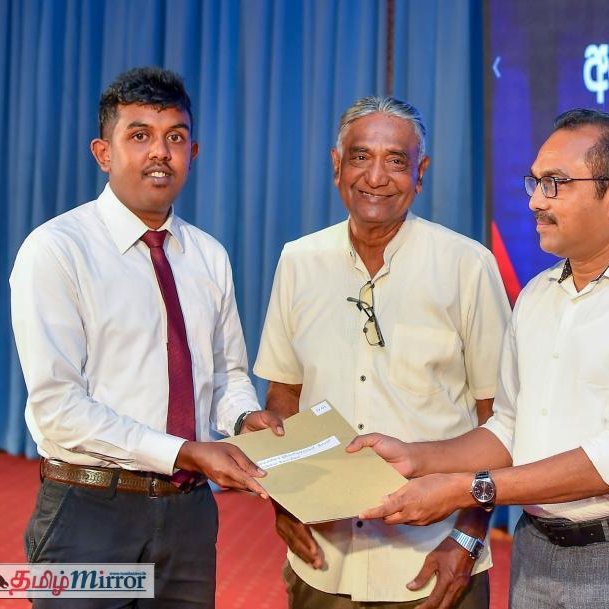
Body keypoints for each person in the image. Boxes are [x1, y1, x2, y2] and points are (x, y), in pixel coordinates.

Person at [350, 108, 609, 609]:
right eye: (535, 182)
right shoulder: (536, 295)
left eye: (555, 183)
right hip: (536, 551)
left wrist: (465, 489)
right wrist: (417, 458)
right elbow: (509, 429)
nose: (534, 201)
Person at [9, 66, 282, 607]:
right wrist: (185, 452)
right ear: (103, 153)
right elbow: (58, 408)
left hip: (189, 517)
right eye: (139, 135)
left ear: (193, 153)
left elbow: (226, 375)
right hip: (87, 511)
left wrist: (244, 418)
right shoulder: (56, 250)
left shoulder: (209, 256)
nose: (160, 152)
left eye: (175, 137)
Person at [253, 96, 511, 609]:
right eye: (360, 157)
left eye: (396, 160)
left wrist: (468, 536)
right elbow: (283, 398)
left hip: (433, 559)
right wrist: (285, 500)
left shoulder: (467, 265)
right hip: (324, 559)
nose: (375, 177)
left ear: (421, 174)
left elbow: (500, 418)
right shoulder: (298, 261)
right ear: (336, 165)